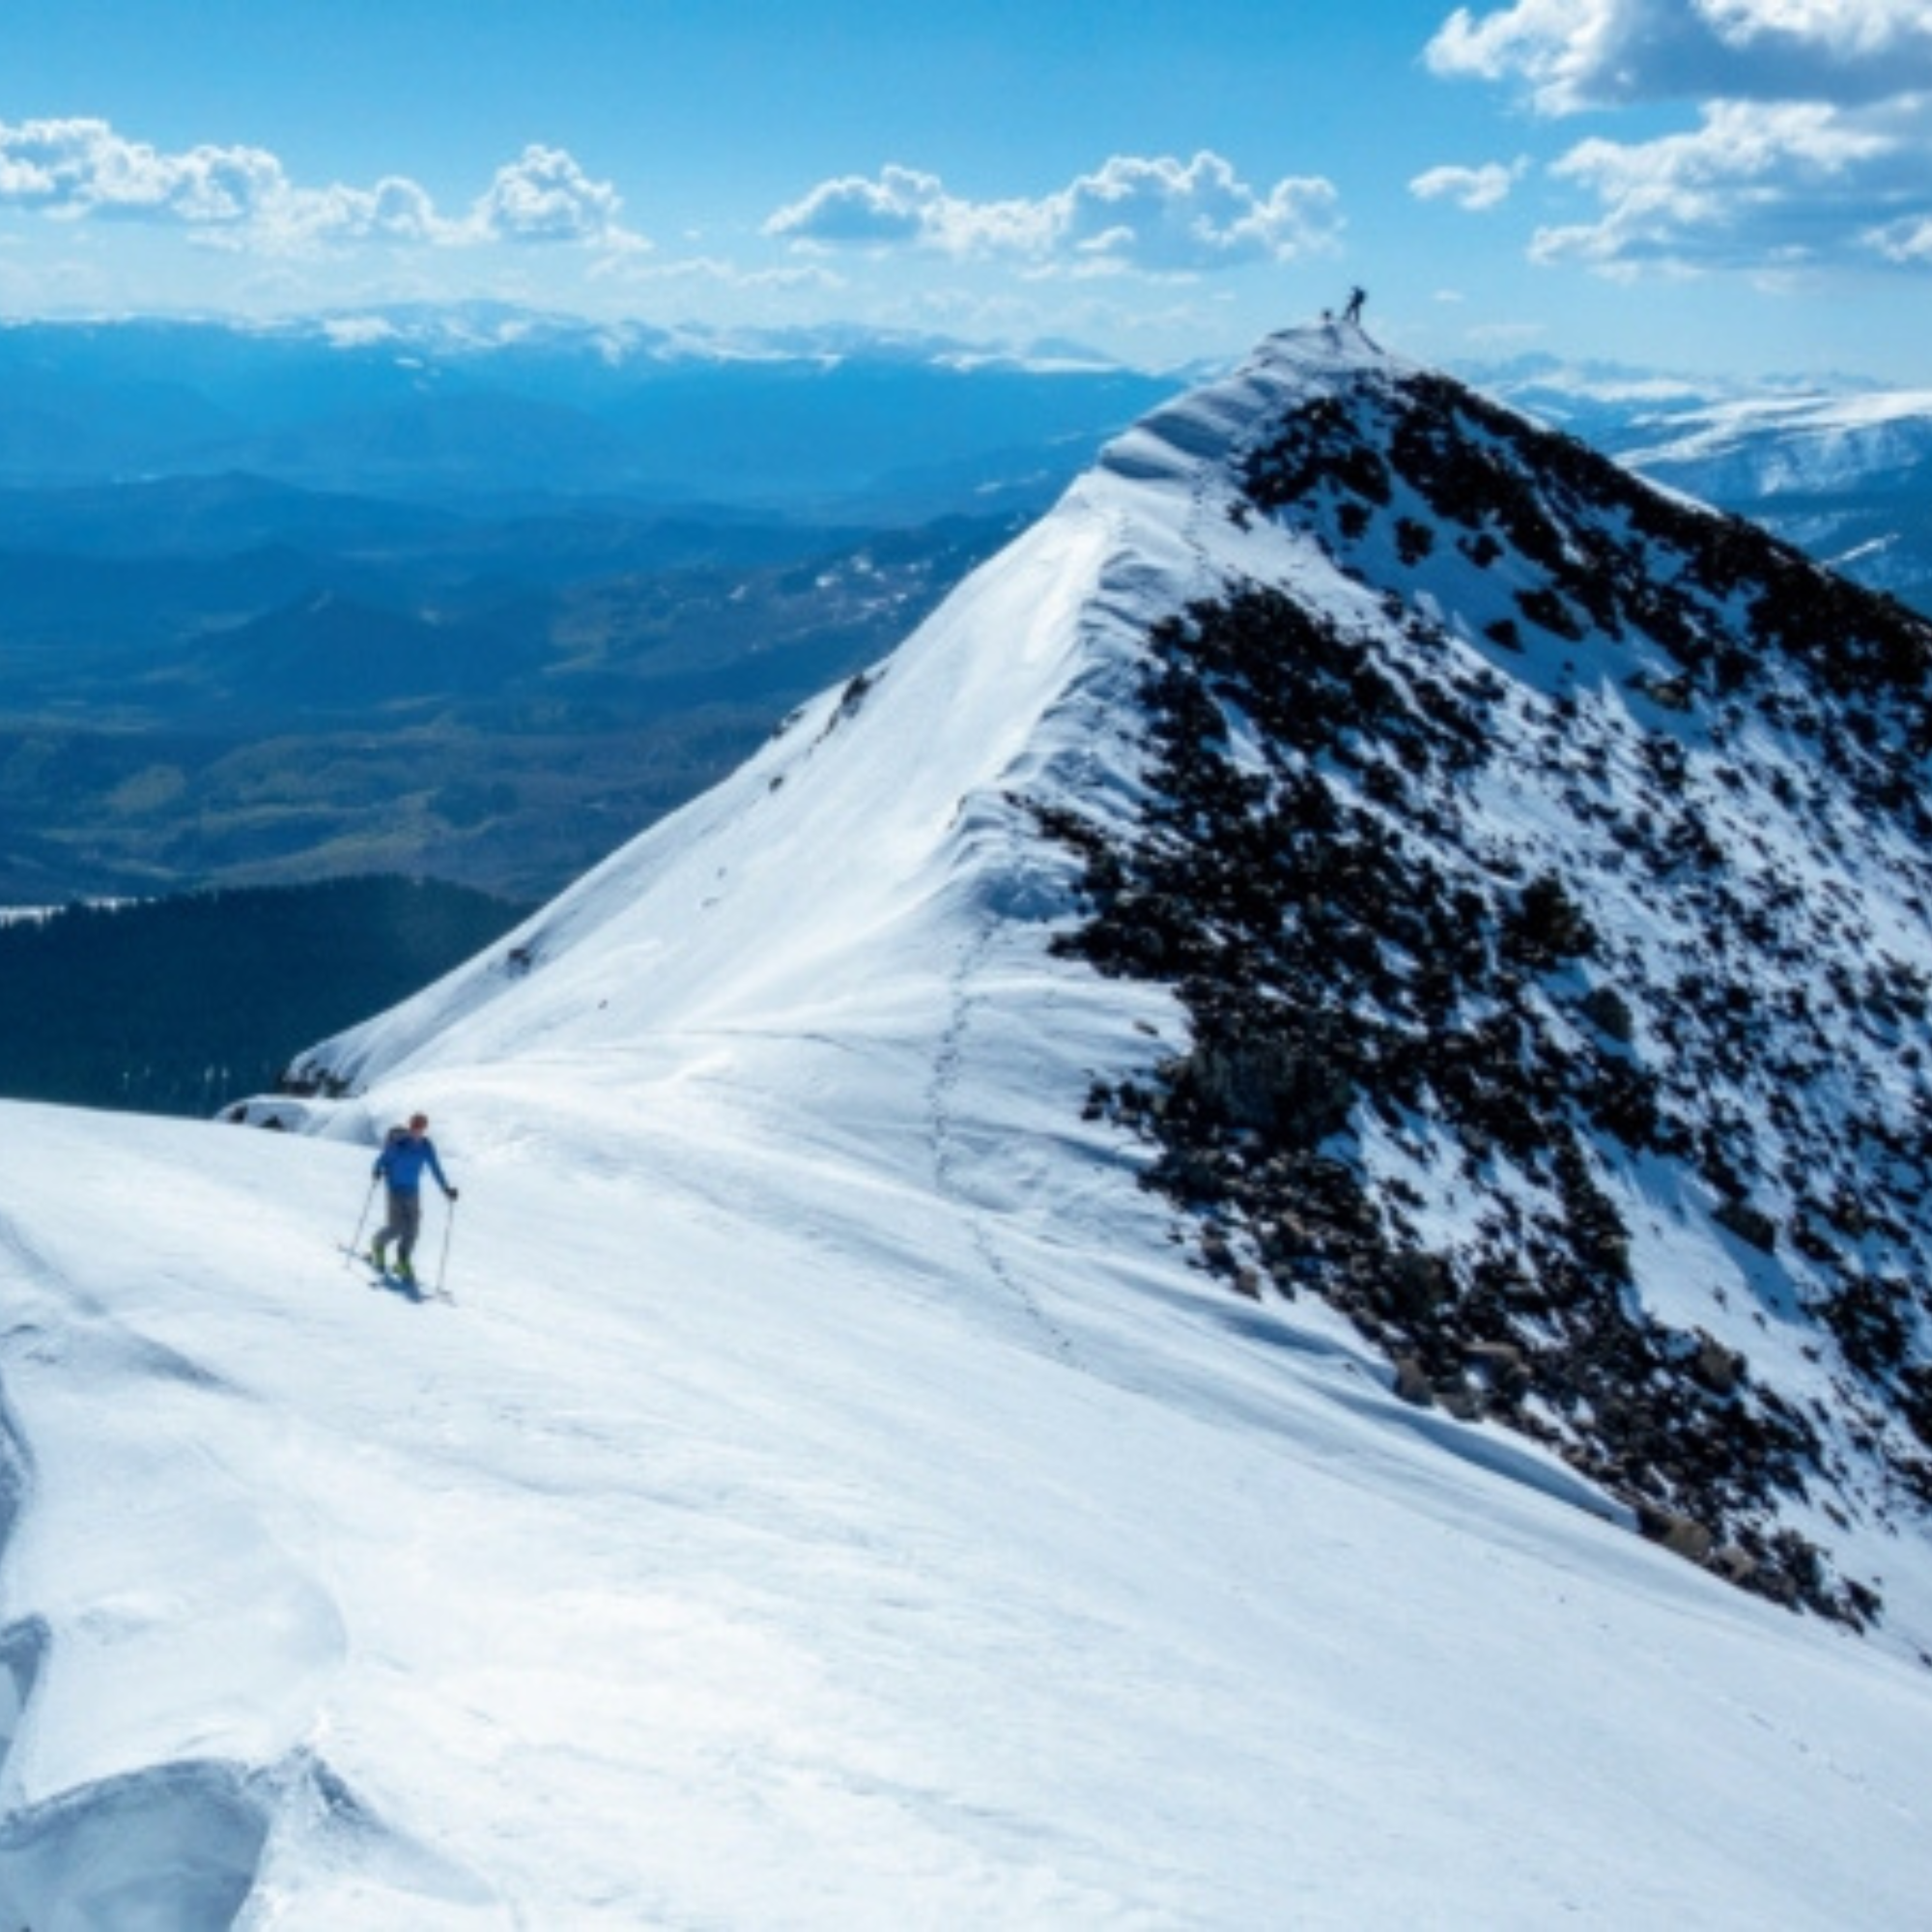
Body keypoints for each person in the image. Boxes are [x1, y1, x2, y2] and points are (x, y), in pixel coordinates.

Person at [369, 1112, 458, 1285]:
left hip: (412, 1191)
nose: (417, 1130)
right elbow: (382, 1159)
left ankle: (402, 1261)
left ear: (424, 1128)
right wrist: (377, 1170)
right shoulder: (398, 1144)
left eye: (421, 1127)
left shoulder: (426, 1146)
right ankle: (378, 1244)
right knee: (396, 1227)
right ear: (410, 1126)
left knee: (413, 1229)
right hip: (395, 1189)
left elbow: (435, 1169)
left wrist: (446, 1189)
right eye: (415, 1126)